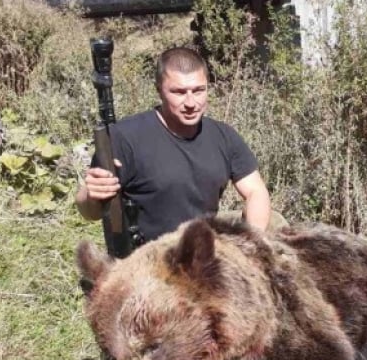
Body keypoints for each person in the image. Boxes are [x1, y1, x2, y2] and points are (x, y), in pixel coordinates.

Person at [76, 47, 272, 242]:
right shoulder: (124, 137)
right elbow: (89, 212)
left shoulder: (224, 136)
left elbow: (256, 191)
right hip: (151, 257)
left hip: (203, 250)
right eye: (179, 92)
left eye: (198, 91)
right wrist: (91, 195)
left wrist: (253, 243)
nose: (191, 102)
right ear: (159, 90)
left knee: (275, 223)